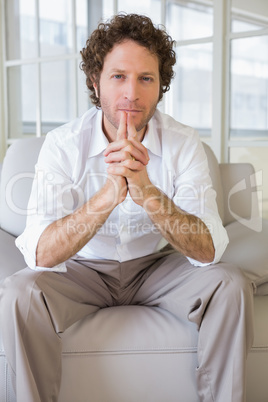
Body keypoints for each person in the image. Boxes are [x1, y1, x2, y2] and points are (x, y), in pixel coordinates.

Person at [0, 13, 254, 402]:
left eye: (145, 78)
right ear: (95, 81)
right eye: (118, 76)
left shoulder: (185, 144)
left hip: (157, 267)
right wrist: (108, 196)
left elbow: (208, 250)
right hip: (83, 270)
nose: (131, 93)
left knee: (230, 283)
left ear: (160, 86)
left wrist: (146, 190)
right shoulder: (62, 145)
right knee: (21, 292)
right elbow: (41, 253)